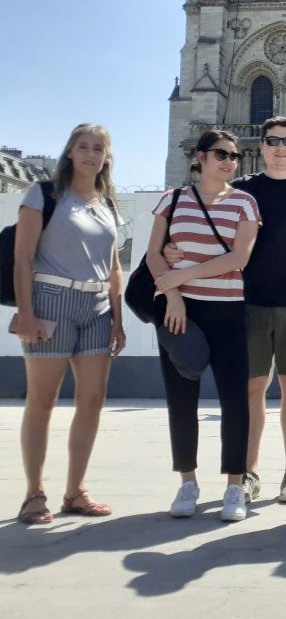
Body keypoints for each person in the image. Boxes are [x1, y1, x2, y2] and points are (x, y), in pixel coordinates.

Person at [166, 118, 286, 504]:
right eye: (272, 141)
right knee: (251, 388)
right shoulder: (240, 190)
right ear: (261, 146)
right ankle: (249, 472)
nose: (280, 147)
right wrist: (172, 251)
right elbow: (204, 229)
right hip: (248, 303)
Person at [13, 124, 125, 524]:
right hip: (52, 300)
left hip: (97, 306)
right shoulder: (44, 194)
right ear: (70, 152)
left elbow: (114, 267)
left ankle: (76, 491)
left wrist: (118, 319)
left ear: (106, 157)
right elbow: (22, 258)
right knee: (42, 401)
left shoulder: (107, 203)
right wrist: (26, 312)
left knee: (92, 401)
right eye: (83, 147)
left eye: (98, 149)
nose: (91, 154)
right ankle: (34, 494)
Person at [147, 129, 260, 522]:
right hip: (180, 311)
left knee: (235, 400)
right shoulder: (173, 199)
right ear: (200, 157)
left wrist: (184, 274)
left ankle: (234, 486)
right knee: (181, 400)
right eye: (221, 154)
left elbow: (238, 259)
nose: (229, 161)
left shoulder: (245, 203)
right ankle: (187, 483)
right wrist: (174, 295)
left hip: (228, 310)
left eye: (234, 156)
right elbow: (153, 254)